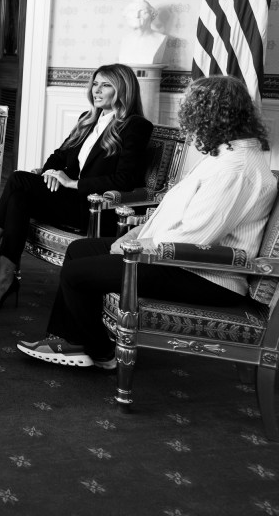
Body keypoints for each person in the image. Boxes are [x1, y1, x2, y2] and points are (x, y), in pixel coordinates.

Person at [17, 75, 276, 370]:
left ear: (211, 116)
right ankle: (69, 340)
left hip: (205, 276)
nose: (190, 129)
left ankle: (100, 353)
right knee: (79, 250)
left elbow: (194, 237)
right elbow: (177, 215)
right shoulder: (227, 155)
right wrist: (139, 231)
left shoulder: (237, 169)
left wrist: (133, 245)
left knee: (77, 273)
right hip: (178, 260)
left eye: (193, 117)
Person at [0, 63, 154, 309]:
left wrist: (72, 182)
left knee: (18, 180)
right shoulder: (88, 120)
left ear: (123, 89)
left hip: (97, 209)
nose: (96, 90)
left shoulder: (135, 125)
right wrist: (51, 173)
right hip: (69, 201)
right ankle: (4, 278)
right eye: (95, 84)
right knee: (19, 198)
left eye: (106, 85)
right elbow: (58, 156)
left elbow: (125, 180)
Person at [117, 0, 167, 66]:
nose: (137, 15)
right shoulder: (125, 39)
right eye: (132, 11)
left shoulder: (160, 39)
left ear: (152, 15)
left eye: (143, 12)